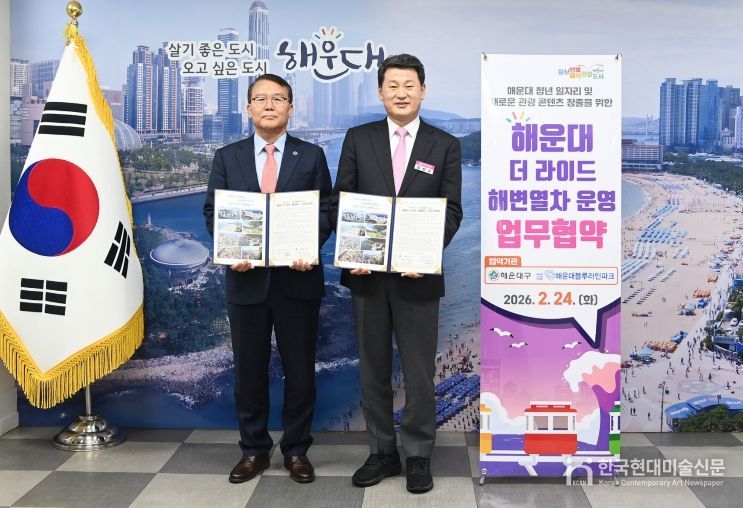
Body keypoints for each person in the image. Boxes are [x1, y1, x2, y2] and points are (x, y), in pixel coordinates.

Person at [331, 54, 463, 494]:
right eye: (392, 85)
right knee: (373, 368)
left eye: (409, 85)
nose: (401, 93)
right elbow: (343, 200)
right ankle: (382, 452)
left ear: (422, 90)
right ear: (380, 92)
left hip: (418, 278)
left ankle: (419, 455)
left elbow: (452, 211)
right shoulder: (359, 138)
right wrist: (352, 250)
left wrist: (423, 254)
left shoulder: (445, 144)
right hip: (367, 275)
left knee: (420, 371)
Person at [203, 74, 332, 484]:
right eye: (261, 98)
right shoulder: (228, 157)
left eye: (278, 98)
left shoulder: (311, 155)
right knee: (248, 371)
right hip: (246, 282)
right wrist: (232, 250)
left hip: (299, 280)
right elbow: (213, 212)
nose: (270, 105)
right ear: (248, 108)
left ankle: (296, 450)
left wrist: (309, 247)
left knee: (301, 371)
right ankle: (253, 449)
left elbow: (326, 210)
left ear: (291, 108)